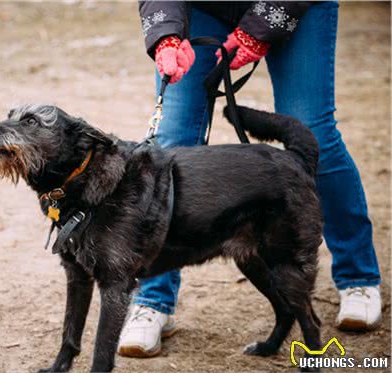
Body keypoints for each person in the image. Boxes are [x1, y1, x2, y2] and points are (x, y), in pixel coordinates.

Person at [118, 1, 382, 358]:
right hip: (202, 7)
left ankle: (358, 278)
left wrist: (257, 30)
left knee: (315, 131)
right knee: (171, 140)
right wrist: (166, 36)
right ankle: (153, 300)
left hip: (295, 7)